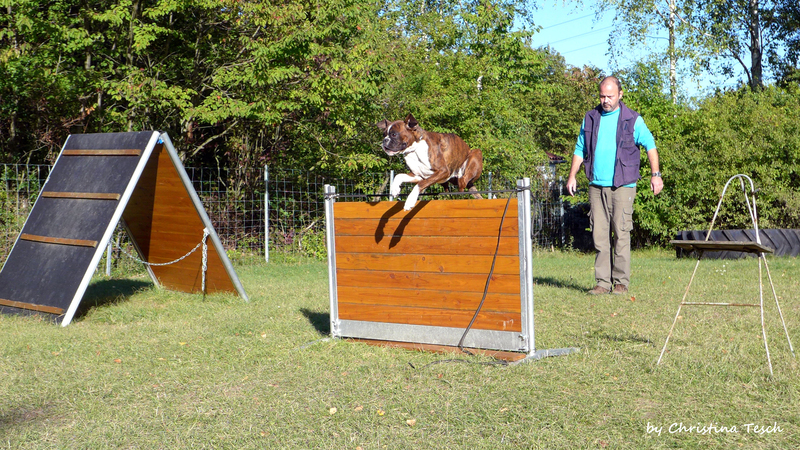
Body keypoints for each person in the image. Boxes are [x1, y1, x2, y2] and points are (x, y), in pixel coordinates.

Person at [566, 76, 664, 295]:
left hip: (623, 185)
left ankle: (620, 283)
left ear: (620, 94)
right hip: (596, 186)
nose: (605, 100)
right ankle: (602, 283)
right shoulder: (590, 118)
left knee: (621, 233)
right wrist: (572, 176)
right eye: (602, 96)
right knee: (599, 236)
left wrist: (655, 175)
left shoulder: (632, 119)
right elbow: (580, 148)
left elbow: (650, 145)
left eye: (610, 96)